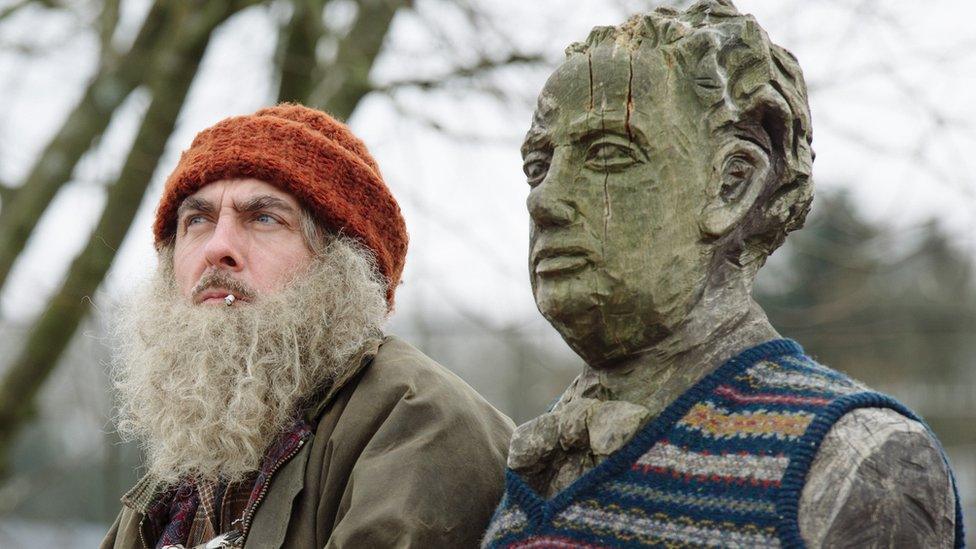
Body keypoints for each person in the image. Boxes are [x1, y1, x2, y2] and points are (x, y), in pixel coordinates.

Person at [482, 1, 964, 547]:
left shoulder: (854, 459)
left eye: (607, 154)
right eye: (536, 168)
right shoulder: (521, 462)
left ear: (732, 184)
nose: (543, 200)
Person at [101, 103, 513, 548]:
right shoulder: (176, 483)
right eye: (196, 221)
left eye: (264, 218)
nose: (218, 247)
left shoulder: (419, 417)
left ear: (342, 266)